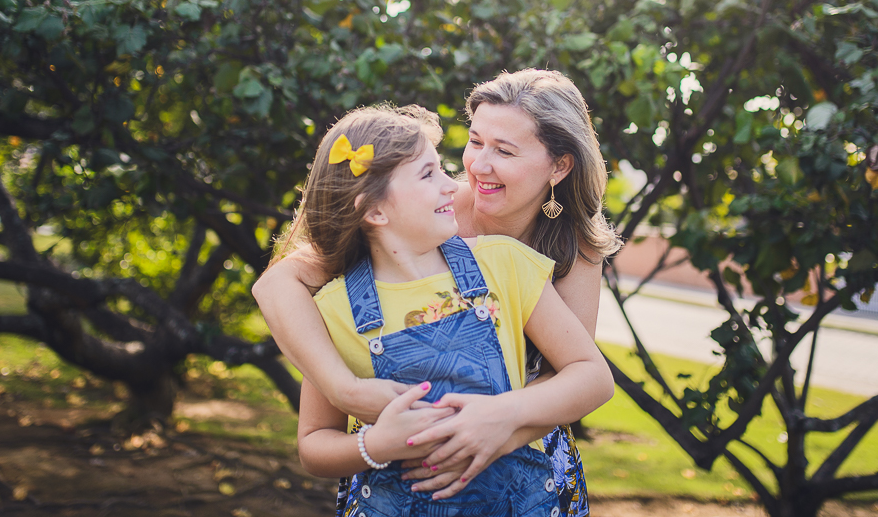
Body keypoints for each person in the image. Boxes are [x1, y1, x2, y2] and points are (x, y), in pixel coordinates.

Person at [254, 70, 620, 514]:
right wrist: (346, 392)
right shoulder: (411, 222)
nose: (475, 167)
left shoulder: (560, 250)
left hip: (523, 472)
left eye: (504, 150)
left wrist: (487, 433)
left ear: (560, 165)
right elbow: (277, 284)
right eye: (475, 141)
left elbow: (579, 377)